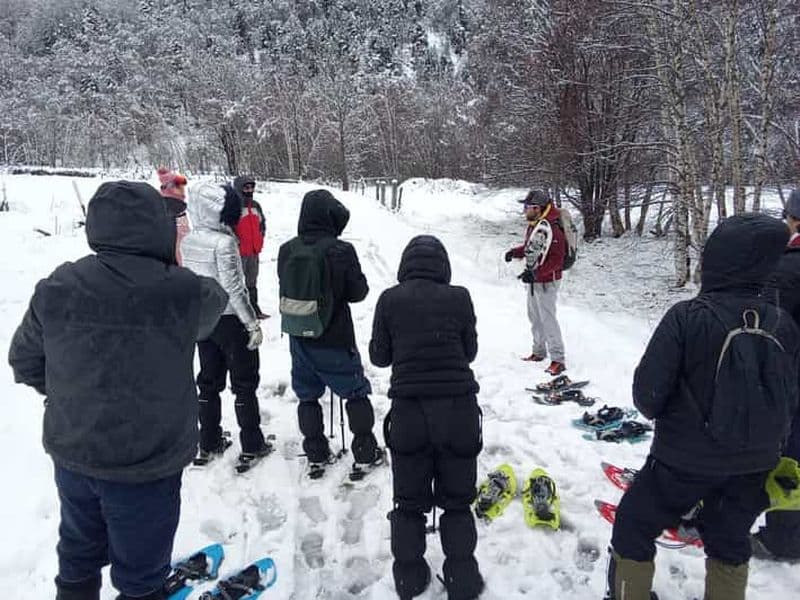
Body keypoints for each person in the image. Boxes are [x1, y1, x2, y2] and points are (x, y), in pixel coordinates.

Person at [8, 181, 228, 600]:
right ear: (158, 227)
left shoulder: (58, 286)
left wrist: (70, 395)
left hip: (74, 454)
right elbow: (214, 302)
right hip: (148, 465)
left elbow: (24, 361)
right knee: (141, 579)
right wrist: (174, 257)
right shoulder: (181, 291)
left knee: (76, 562)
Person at [606, 213, 800, 600]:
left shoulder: (686, 317)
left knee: (632, 525)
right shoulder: (783, 323)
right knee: (729, 540)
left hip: (681, 464)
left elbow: (647, 398)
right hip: (753, 466)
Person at [370, 235, 484, 600]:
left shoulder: (389, 299)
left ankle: (409, 579)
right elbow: (470, 351)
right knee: (457, 502)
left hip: (410, 412)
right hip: (458, 411)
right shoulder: (460, 297)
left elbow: (379, 356)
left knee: (408, 503)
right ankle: (462, 579)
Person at [277, 189, 381, 475]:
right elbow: (358, 292)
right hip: (335, 337)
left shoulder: (287, 249)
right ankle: (365, 452)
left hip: (299, 336)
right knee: (356, 392)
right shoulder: (341, 250)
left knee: (307, 396)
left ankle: (316, 454)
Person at [181, 182, 270, 466]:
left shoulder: (189, 240)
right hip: (232, 321)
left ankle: (207, 442)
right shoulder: (225, 242)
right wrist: (252, 323)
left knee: (208, 382)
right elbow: (234, 287)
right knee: (244, 383)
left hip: (205, 322)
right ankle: (252, 444)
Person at [752, 188, 800, 561]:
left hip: (791, 381)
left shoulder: (784, 267)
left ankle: (784, 537)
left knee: (789, 457)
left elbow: (770, 331)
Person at [503, 189, 567, 375]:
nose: (524, 210)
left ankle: (558, 359)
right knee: (534, 317)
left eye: (527, 207)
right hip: (534, 278)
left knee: (548, 319)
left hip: (547, 281)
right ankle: (538, 352)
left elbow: (557, 260)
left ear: (537, 208)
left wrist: (537, 274)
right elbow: (531, 247)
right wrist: (515, 252)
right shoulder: (535, 223)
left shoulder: (553, 227)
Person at [233, 175, 268, 319]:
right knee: (237, 283)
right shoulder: (233, 207)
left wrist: (261, 237)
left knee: (252, 281)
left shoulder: (255, 206)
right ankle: (240, 312)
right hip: (239, 252)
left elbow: (262, 223)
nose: (250, 190)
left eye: (252, 187)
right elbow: (228, 228)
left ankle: (254, 308)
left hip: (254, 250)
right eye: (246, 187)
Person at [157, 167, 190, 265]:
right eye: (179, 187)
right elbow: (182, 241)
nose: (183, 190)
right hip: (176, 263)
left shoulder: (159, 203)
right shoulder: (177, 208)